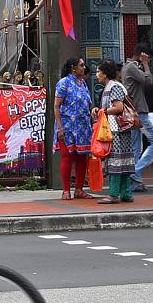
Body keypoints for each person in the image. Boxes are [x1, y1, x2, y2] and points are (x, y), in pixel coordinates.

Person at [96, 59, 137, 204]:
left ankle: (113, 194)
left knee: (115, 161)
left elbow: (118, 107)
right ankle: (126, 194)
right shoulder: (110, 86)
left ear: (105, 73)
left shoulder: (114, 87)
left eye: (98, 71)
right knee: (123, 161)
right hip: (117, 129)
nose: (97, 75)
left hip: (116, 130)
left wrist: (103, 111)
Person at [53, 57, 93, 200]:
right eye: (81, 65)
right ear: (73, 68)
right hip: (67, 126)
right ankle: (66, 190)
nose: (84, 68)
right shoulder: (63, 83)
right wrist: (60, 128)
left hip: (83, 127)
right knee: (67, 157)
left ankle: (79, 189)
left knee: (82, 158)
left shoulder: (82, 83)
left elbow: (88, 103)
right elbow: (57, 106)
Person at [123, 47, 153, 190]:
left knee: (135, 147)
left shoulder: (128, 67)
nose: (148, 60)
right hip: (139, 112)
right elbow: (148, 80)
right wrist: (145, 64)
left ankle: (134, 183)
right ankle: (135, 173)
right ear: (143, 55)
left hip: (133, 112)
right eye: (148, 57)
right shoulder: (132, 67)